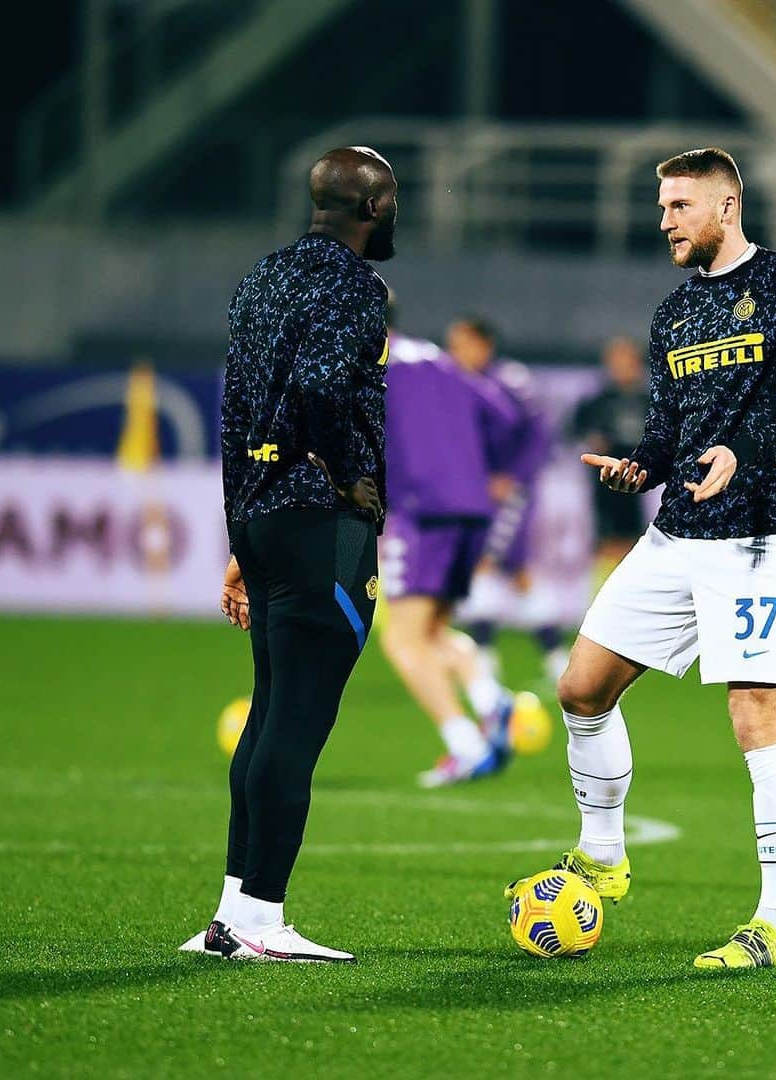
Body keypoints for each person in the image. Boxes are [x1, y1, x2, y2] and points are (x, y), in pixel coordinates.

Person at [505, 147, 776, 971]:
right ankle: (605, 854)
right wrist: (640, 466)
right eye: (662, 207)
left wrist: (746, 449)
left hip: (760, 539)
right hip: (676, 534)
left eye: (679, 206)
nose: (664, 221)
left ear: (726, 208)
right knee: (581, 687)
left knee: (757, 723)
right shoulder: (674, 317)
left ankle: (774, 925)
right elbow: (666, 432)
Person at [180, 146, 397, 964]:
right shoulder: (354, 286)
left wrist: (242, 529)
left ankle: (231, 914)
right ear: (375, 206)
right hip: (319, 528)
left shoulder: (261, 278)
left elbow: (237, 409)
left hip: (263, 516)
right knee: (297, 723)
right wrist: (352, 481)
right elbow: (318, 385)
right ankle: (263, 918)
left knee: (269, 712)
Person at [379, 325, 524, 787]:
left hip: (423, 512)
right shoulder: (441, 360)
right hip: (471, 509)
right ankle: (490, 700)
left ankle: (467, 745)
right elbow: (507, 416)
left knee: (401, 638)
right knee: (432, 630)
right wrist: (491, 471)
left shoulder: (373, 363)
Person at [445, 317, 567, 683]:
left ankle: (486, 662)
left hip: (508, 494)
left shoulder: (510, 381)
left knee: (489, 563)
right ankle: (553, 659)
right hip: (474, 493)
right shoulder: (458, 381)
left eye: (461, 343)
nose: (455, 352)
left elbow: (539, 433)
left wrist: (513, 475)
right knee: (512, 570)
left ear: (484, 344)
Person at [571, 337, 650, 576]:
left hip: (642, 484)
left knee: (635, 541)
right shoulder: (596, 403)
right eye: (616, 361)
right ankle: (601, 593)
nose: (622, 367)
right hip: (605, 484)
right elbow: (574, 434)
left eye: (627, 361)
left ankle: (634, 590)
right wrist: (591, 441)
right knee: (606, 542)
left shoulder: (648, 402)